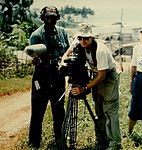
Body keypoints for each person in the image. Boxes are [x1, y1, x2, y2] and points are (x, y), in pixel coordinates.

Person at [61, 23, 121, 150]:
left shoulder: (100, 51)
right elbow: (66, 54)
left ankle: (114, 142)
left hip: (107, 77)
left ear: (92, 37)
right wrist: (63, 63)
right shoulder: (78, 43)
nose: (83, 41)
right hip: (96, 75)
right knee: (99, 109)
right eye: (80, 38)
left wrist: (84, 88)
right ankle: (102, 138)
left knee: (109, 109)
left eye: (86, 38)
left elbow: (102, 76)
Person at [28, 6, 69, 149]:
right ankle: (34, 143)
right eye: (48, 17)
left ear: (57, 18)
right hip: (41, 77)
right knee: (38, 111)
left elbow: (67, 52)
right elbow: (33, 56)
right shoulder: (36, 35)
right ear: (43, 18)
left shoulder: (63, 33)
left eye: (53, 17)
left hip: (58, 77)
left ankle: (59, 140)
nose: (50, 20)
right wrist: (36, 60)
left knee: (59, 110)